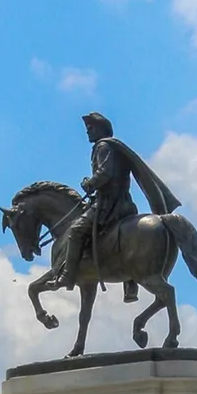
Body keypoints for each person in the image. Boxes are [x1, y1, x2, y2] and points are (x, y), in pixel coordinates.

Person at [56, 113, 182, 301]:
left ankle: (67, 276)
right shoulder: (114, 147)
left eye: (91, 128)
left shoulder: (103, 146)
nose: (88, 132)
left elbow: (105, 173)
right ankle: (131, 285)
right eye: (87, 129)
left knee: (75, 231)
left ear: (101, 129)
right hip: (126, 205)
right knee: (127, 242)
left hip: (108, 205)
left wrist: (89, 183)